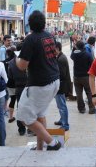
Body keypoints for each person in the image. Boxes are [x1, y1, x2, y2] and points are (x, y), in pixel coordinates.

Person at [16, 10, 61, 151]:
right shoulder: (49, 36)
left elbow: (22, 66)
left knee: (24, 118)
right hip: (54, 81)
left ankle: (52, 143)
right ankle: (40, 147)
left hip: (40, 84)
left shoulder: (31, 39)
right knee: (40, 115)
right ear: (43, 23)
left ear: (30, 24)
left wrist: (16, 59)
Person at [7, 43, 27, 136]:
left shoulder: (11, 62)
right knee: (32, 107)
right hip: (29, 86)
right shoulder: (29, 60)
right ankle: (32, 127)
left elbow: (10, 77)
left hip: (18, 87)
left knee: (20, 108)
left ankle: (21, 128)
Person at [71, 40, 95, 114]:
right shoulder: (87, 54)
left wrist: (74, 48)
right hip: (86, 77)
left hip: (76, 77)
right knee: (89, 92)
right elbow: (92, 64)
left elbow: (71, 55)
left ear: (77, 47)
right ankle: (91, 108)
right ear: (84, 46)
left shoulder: (74, 55)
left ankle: (81, 108)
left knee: (79, 93)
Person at [54, 41, 71, 131]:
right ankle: (62, 120)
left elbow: (62, 74)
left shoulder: (61, 59)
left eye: (53, 49)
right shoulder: (60, 57)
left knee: (62, 106)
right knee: (60, 105)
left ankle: (65, 125)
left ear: (57, 49)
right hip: (61, 85)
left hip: (61, 86)